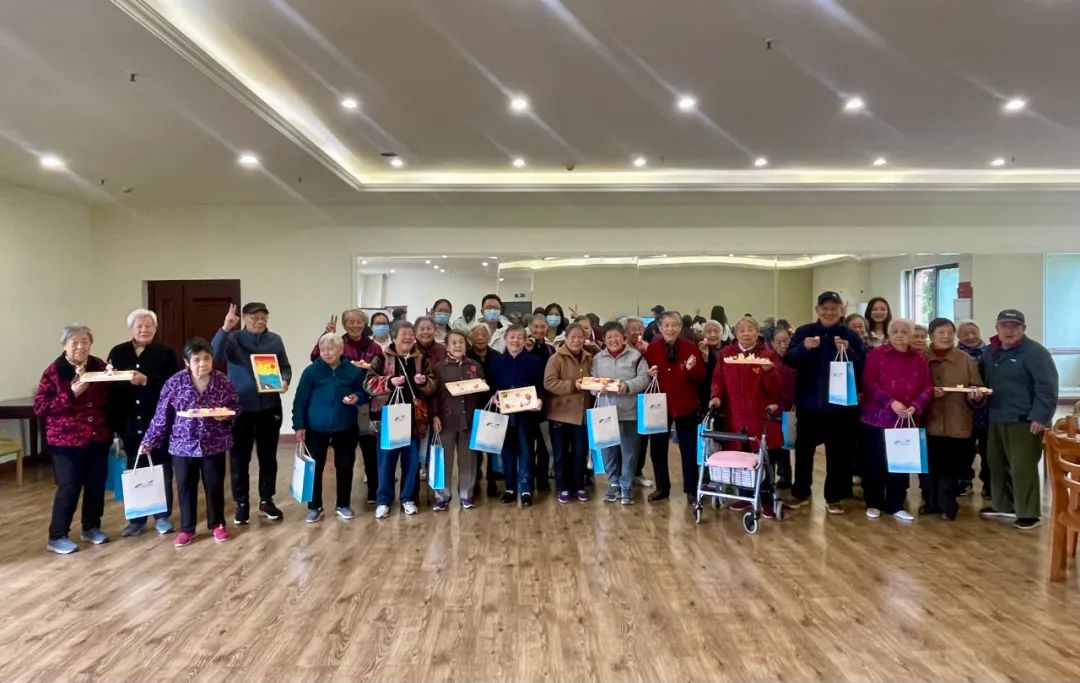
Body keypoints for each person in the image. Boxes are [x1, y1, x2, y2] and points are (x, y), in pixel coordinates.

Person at [140, 338, 241, 547]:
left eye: (207, 358)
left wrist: (227, 414)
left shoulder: (222, 381)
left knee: (214, 485)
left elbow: (236, 406)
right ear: (187, 362)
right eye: (196, 360)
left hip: (214, 443)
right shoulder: (174, 383)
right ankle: (187, 529)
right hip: (182, 444)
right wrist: (149, 440)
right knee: (185, 486)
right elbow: (162, 415)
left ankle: (217, 524)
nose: (202, 363)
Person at [783, 291, 866, 513]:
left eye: (834, 308)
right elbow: (789, 360)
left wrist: (849, 351)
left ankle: (834, 497)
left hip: (840, 407)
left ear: (841, 310)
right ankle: (800, 492)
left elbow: (862, 365)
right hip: (809, 404)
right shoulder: (804, 332)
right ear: (817, 310)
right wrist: (803, 347)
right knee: (804, 451)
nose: (829, 312)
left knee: (837, 453)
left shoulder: (850, 335)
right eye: (825, 308)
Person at [34, 324, 114, 554]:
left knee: (95, 485)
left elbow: (111, 394)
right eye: (75, 342)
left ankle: (91, 527)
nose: (80, 346)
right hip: (65, 441)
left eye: (85, 342)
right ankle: (57, 536)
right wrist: (71, 394)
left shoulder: (99, 365)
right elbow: (41, 407)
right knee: (69, 487)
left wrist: (115, 376)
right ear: (64, 345)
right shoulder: (53, 372)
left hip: (97, 436)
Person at [212, 302, 292, 524]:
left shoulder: (274, 340)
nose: (260, 321)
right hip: (240, 408)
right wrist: (225, 328)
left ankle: (266, 500)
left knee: (268, 457)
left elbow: (285, 366)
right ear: (245, 319)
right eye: (255, 318)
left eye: (264, 318)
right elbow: (216, 354)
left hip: (270, 406)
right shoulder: (233, 339)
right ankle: (241, 503)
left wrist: (285, 381)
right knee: (239, 458)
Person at [979, 309, 1059, 530]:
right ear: (997, 328)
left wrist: (1040, 417)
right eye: (1004, 326)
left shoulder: (1036, 353)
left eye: (1014, 326)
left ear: (1023, 329)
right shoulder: (990, 352)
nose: (1009, 330)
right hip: (996, 417)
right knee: (996, 464)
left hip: (1025, 420)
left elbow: (1047, 388)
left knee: (1022, 467)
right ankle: (1004, 505)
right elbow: (982, 381)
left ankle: (1028, 514)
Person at [106, 309, 181, 537]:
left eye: (149, 326)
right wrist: (114, 425)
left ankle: (162, 516)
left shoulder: (165, 353)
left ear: (155, 329)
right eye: (139, 326)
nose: (144, 330)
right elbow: (111, 388)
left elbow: (174, 384)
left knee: (161, 468)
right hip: (129, 421)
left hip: (158, 421)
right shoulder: (118, 352)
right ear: (131, 329)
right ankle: (136, 519)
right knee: (134, 469)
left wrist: (147, 380)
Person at [708, 317, 784, 518]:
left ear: (758, 332)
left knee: (764, 458)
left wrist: (769, 372)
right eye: (741, 330)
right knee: (738, 458)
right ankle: (745, 496)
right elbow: (718, 379)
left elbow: (777, 388)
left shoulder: (768, 355)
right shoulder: (727, 354)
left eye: (751, 329)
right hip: (734, 415)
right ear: (735, 333)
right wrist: (716, 396)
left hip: (759, 415)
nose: (746, 333)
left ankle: (766, 499)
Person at [859, 319, 933, 522]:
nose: (900, 335)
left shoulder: (919, 359)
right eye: (895, 331)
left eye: (904, 331)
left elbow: (927, 386)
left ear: (911, 335)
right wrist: (890, 402)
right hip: (876, 418)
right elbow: (869, 382)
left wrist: (916, 406)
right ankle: (873, 502)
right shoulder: (877, 354)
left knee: (900, 464)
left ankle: (895, 504)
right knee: (875, 463)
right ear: (889, 334)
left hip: (906, 419)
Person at [364, 320, 437, 519]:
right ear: (394, 337)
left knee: (412, 461)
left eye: (410, 334)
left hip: (414, 420)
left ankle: (408, 498)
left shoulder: (421, 359)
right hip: (388, 419)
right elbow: (368, 383)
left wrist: (424, 382)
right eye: (404, 334)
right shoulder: (381, 357)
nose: (408, 338)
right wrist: (389, 382)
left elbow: (433, 385)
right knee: (386, 462)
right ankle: (383, 501)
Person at [312, 308, 384, 506]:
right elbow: (316, 358)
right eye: (350, 322)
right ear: (344, 325)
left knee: (370, 450)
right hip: (343, 408)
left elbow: (382, 373)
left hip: (366, 406)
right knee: (346, 455)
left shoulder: (375, 348)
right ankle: (343, 499)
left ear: (364, 324)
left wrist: (368, 371)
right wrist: (326, 334)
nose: (355, 325)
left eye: (359, 321)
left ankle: (374, 491)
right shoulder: (337, 343)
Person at [293, 334, 368, 522]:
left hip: (346, 426)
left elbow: (363, 393)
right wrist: (299, 425)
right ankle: (314, 507)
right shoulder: (311, 372)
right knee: (315, 468)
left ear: (341, 350)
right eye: (323, 349)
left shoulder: (353, 371)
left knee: (345, 466)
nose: (326, 353)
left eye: (330, 349)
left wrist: (356, 398)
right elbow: (300, 400)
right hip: (316, 428)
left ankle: (343, 504)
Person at [920, 318, 984, 521]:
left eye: (949, 332)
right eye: (941, 332)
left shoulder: (966, 360)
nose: (946, 336)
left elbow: (977, 387)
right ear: (931, 335)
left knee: (952, 467)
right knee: (929, 466)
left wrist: (976, 396)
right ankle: (930, 503)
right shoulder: (920, 358)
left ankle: (948, 506)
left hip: (957, 420)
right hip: (928, 420)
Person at [644, 312, 706, 504]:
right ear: (660, 328)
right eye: (666, 325)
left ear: (680, 328)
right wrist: (649, 374)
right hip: (659, 406)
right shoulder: (652, 349)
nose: (670, 329)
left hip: (686, 404)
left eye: (674, 325)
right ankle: (662, 487)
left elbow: (701, 377)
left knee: (688, 449)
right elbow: (645, 376)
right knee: (657, 449)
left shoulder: (690, 348)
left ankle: (691, 490)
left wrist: (691, 369)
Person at [591, 322, 652, 504]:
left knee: (629, 452)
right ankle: (613, 483)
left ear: (623, 337)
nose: (613, 340)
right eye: (609, 337)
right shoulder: (598, 358)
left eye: (616, 336)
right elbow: (592, 381)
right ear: (604, 339)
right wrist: (596, 389)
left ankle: (626, 486)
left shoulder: (636, 356)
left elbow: (645, 378)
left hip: (629, 412)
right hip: (606, 413)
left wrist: (628, 386)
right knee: (608, 451)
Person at [487, 325, 545, 506]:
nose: (515, 340)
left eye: (519, 337)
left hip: (526, 415)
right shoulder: (495, 362)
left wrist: (540, 399)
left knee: (526, 451)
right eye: (512, 337)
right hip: (503, 414)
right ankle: (510, 487)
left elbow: (541, 386)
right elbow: (489, 386)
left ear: (525, 340)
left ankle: (526, 488)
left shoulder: (535, 361)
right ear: (505, 339)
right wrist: (493, 396)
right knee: (507, 452)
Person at [431, 330, 485, 510]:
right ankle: (442, 496)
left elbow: (483, 392)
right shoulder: (438, 368)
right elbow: (433, 395)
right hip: (446, 420)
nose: (458, 345)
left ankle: (466, 494)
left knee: (468, 459)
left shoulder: (475, 366)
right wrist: (434, 415)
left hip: (469, 419)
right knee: (444, 459)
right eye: (453, 342)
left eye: (461, 342)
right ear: (447, 346)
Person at [544, 324, 594, 503]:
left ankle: (579, 486)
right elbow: (549, 383)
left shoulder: (589, 357)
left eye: (580, 337)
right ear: (565, 338)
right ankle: (562, 487)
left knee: (580, 453)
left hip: (581, 414)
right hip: (560, 413)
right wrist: (573, 385)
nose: (576, 341)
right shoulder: (555, 358)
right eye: (573, 337)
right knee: (560, 454)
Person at [467, 323, 503, 496]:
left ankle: (492, 479)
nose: (480, 337)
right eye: (476, 334)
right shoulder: (466, 356)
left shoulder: (497, 356)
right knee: (474, 446)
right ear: (470, 338)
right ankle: (475, 478)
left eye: (484, 334)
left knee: (492, 445)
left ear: (489, 338)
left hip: (493, 404)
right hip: (472, 405)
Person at [956, 319, 991, 499]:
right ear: (958, 337)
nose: (970, 336)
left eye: (974, 332)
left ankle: (989, 484)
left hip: (988, 411)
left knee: (988, 450)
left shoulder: (991, 353)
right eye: (965, 334)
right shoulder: (956, 355)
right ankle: (964, 480)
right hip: (963, 411)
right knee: (964, 450)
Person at [525, 313, 556, 490]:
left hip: (545, 403)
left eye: (542, 327)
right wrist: (526, 350)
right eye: (535, 327)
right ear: (530, 327)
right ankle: (527, 480)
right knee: (527, 445)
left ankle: (542, 479)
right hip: (525, 403)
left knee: (544, 444)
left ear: (547, 328)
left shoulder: (551, 349)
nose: (538, 330)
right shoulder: (522, 346)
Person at [769, 327, 798, 489]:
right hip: (771, 409)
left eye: (786, 341)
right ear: (772, 343)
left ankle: (785, 475)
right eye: (778, 342)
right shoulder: (769, 359)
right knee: (771, 445)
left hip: (789, 408)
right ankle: (769, 477)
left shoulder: (794, 358)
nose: (782, 345)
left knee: (785, 444)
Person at [698, 321, 726, 412]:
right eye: (708, 332)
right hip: (708, 396)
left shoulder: (730, 348)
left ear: (722, 333)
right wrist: (705, 359)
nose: (712, 334)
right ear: (703, 335)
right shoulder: (698, 349)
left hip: (728, 395)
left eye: (716, 331)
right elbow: (701, 379)